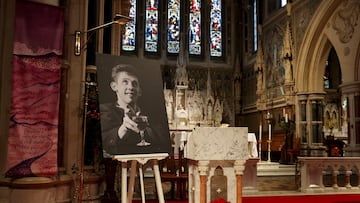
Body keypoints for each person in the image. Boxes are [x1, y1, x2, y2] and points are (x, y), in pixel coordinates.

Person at [100, 64, 164, 156]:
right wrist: (123, 129)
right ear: (114, 86)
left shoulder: (153, 113)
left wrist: (142, 131)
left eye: (134, 83)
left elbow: (161, 137)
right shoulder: (105, 110)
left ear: (140, 91)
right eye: (125, 82)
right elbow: (105, 139)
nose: (131, 87)